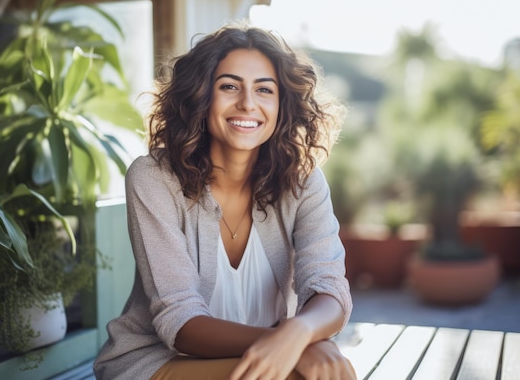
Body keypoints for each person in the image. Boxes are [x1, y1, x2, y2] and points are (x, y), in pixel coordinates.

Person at [93, 23, 355, 380]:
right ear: (201, 95)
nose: (248, 103)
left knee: (331, 372)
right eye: (229, 86)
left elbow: (327, 286)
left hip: (260, 359)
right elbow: (180, 321)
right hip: (158, 362)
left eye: (264, 89)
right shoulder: (154, 178)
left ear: (282, 104)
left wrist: (302, 334)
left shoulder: (302, 181)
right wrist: (290, 344)